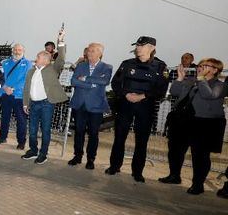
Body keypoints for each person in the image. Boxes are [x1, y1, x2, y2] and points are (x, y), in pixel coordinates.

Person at [159, 58, 227, 194]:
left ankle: (198, 184)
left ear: (215, 70)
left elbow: (209, 95)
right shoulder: (191, 81)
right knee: (175, 150)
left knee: (200, 155)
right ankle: (174, 175)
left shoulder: (220, 85)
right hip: (183, 120)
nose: (200, 67)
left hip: (204, 123)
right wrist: (180, 78)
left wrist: (201, 80)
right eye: (200, 65)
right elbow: (175, 91)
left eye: (206, 66)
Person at [106, 36, 168, 182]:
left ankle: (137, 172)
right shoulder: (127, 64)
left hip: (145, 107)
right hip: (126, 105)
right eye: (137, 45)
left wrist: (143, 96)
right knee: (119, 138)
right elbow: (116, 83)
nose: (138, 48)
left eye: (142, 45)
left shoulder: (160, 66)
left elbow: (161, 90)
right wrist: (126, 94)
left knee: (142, 141)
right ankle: (114, 166)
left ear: (152, 48)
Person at [21, 27, 67, 164]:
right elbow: (26, 89)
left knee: (45, 130)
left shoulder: (53, 69)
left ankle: (43, 154)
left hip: (47, 104)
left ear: (46, 60)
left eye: (38, 57)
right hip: (33, 104)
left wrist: (61, 41)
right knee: (33, 130)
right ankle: (33, 150)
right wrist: (25, 103)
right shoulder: (31, 71)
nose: (36, 59)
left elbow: (62, 58)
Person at [67, 42, 112, 170]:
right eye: (88, 51)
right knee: (79, 132)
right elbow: (73, 81)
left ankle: (91, 159)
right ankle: (77, 156)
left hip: (96, 106)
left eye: (92, 51)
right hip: (80, 104)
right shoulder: (81, 66)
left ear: (100, 53)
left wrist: (85, 78)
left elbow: (104, 81)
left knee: (93, 134)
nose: (89, 53)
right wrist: (91, 84)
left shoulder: (106, 67)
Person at [0, 43, 31, 149]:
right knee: (4, 117)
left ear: (23, 51)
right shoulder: (5, 63)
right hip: (5, 94)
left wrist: (12, 88)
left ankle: (21, 142)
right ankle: (2, 137)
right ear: (13, 50)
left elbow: (26, 79)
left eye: (19, 50)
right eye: (15, 50)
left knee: (21, 120)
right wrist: (4, 87)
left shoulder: (28, 64)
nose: (17, 51)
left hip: (19, 96)